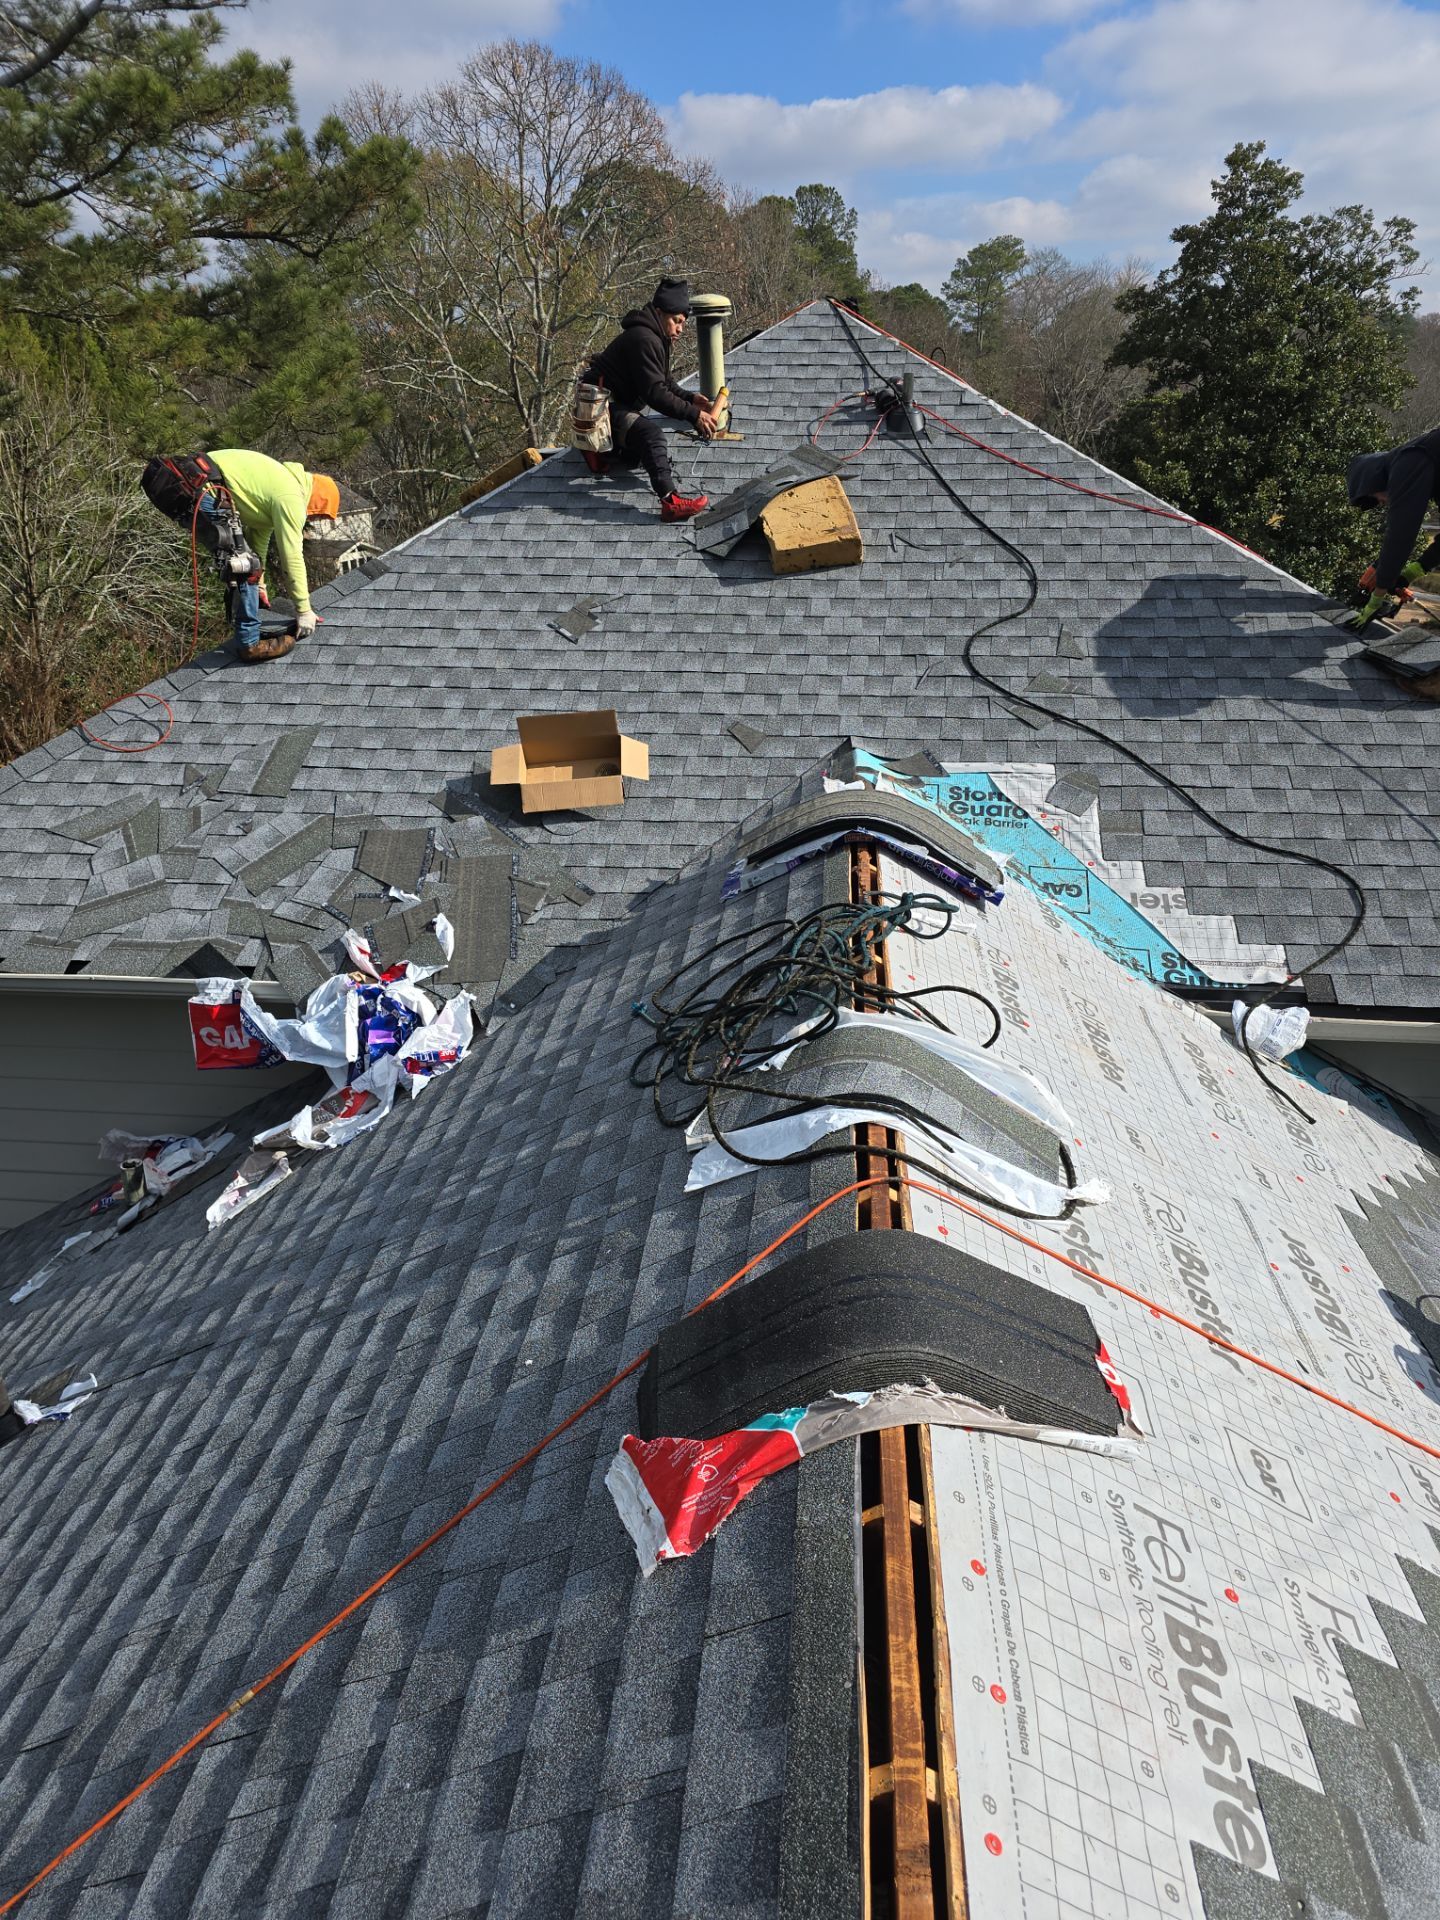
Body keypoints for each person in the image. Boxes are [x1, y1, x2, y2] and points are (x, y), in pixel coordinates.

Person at [142, 449, 340, 663]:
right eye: (319, 513)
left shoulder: (278, 483)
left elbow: (259, 542)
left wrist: (260, 586)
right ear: (318, 500)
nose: (313, 518)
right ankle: (249, 643)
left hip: (179, 485)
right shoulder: (291, 497)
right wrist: (304, 610)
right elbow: (291, 557)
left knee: (244, 562)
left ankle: (246, 628)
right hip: (198, 488)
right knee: (244, 565)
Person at [581, 278, 720, 521]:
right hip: (600, 410)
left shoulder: (654, 336)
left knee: (638, 454)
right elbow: (654, 393)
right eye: (676, 321)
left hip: (613, 407)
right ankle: (670, 501)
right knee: (652, 435)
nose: (680, 329)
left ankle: (614, 451)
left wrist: (690, 399)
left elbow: (664, 382)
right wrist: (694, 415)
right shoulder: (645, 339)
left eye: (683, 324)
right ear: (659, 313)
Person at [1347, 428, 1440, 606]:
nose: (1382, 502)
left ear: (1373, 480)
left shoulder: (1407, 462)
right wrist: (1416, 569)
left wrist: (1378, 595)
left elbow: (1401, 533)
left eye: (1375, 497)